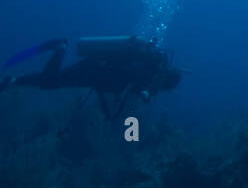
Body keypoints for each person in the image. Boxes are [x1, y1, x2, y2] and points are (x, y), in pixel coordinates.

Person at [0, 36, 181, 121]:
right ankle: (60, 48)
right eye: (163, 87)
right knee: (54, 81)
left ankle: (13, 81)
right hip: (94, 69)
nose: (159, 90)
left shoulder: (148, 74)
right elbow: (123, 90)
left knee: (54, 81)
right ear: (163, 79)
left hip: (95, 73)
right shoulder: (146, 73)